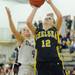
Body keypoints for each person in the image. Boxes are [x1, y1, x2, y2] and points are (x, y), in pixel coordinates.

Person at [26, 0, 64, 75]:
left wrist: (51, 3)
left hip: (55, 62)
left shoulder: (55, 30)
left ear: (53, 23)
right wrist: (36, 7)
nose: (47, 18)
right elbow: (28, 22)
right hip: (41, 63)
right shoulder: (37, 31)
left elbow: (59, 16)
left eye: (49, 18)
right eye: (45, 18)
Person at [5, 7, 35, 75]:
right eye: (24, 30)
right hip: (23, 67)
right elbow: (14, 30)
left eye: (27, 29)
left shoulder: (34, 40)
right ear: (21, 33)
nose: (26, 30)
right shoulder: (22, 40)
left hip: (34, 67)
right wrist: (9, 17)